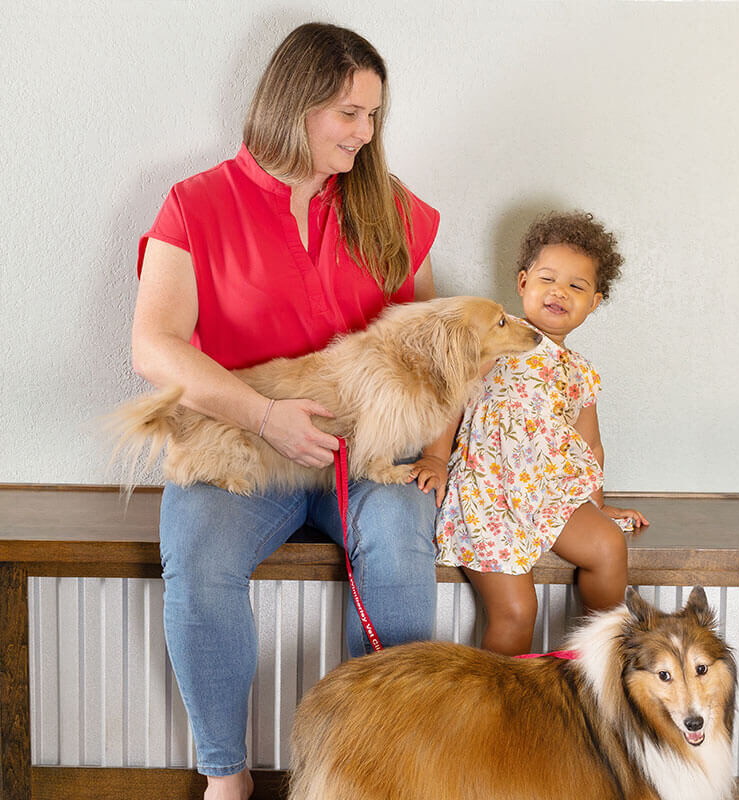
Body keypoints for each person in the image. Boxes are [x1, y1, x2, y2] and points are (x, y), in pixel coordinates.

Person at [131, 23, 447, 800]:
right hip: (244, 445)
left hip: (367, 456)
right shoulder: (196, 203)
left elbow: (439, 351)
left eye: (374, 115)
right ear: (295, 102)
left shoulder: (390, 207)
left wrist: (436, 452)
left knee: (403, 541)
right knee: (198, 558)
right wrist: (265, 417)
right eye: (348, 112)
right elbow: (155, 346)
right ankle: (225, 776)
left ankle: (371, 774)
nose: (365, 133)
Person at [434, 211, 649, 657]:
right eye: (548, 278)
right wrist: (436, 460)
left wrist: (597, 504)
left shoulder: (580, 372)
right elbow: (448, 400)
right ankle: (499, 709)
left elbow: (589, 445)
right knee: (516, 612)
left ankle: (601, 656)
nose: (559, 292)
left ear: (594, 302)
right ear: (523, 283)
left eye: (577, 286)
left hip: (548, 494)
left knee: (608, 544)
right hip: (489, 494)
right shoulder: (496, 339)